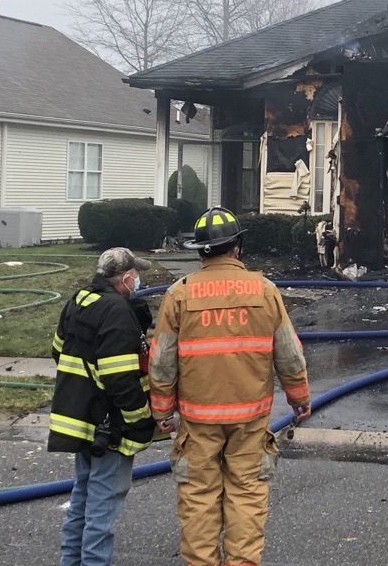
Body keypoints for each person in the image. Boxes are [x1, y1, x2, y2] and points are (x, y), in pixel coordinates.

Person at [149, 206, 312, 566]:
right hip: (250, 420)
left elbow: (161, 361)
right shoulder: (265, 290)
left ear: (201, 250)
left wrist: (161, 410)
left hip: (197, 421)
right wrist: (299, 398)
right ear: (237, 246)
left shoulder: (179, 294)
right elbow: (289, 355)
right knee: (247, 496)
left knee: (199, 499)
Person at [48, 247, 156, 566]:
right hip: (108, 427)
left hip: (79, 418)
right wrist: (140, 419)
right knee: (101, 512)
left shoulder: (79, 299)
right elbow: (120, 378)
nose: (139, 279)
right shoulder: (116, 311)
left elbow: (58, 350)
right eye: (136, 274)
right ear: (125, 278)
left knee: (81, 500)